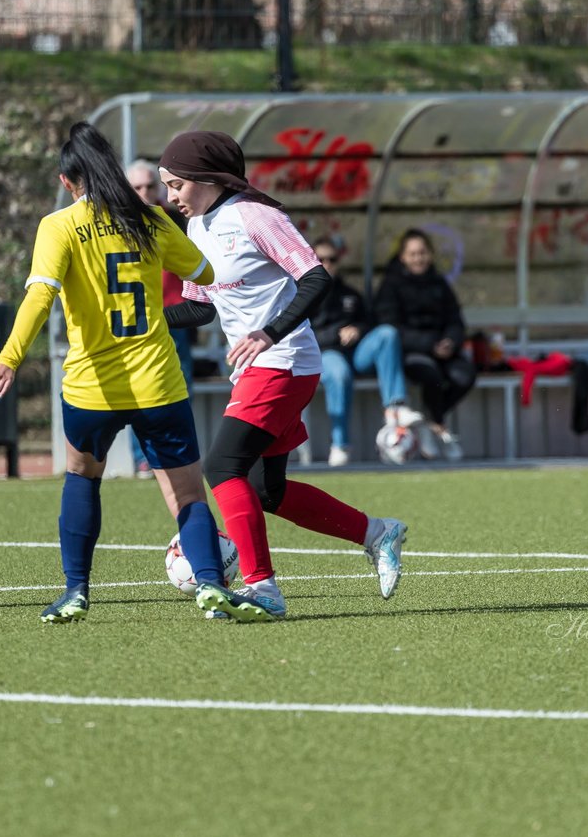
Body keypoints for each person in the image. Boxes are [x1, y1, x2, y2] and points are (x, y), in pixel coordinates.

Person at [0, 122, 263, 624]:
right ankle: (212, 585)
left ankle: (75, 592)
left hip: (92, 388)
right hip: (158, 381)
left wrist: (9, 358)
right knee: (189, 493)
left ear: (68, 181)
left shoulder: (59, 225)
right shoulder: (152, 220)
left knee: (82, 478)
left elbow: (40, 294)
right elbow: (205, 273)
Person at [157, 130, 408, 619]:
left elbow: (316, 277)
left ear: (206, 178)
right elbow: (199, 308)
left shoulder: (257, 216)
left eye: (175, 186)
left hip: (285, 360)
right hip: (259, 366)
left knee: (221, 466)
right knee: (268, 491)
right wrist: (139, 321)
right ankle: (378, 533)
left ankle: (261, 587)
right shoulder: (197, 228)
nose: (170, 197)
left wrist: (269, 333)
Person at [309, 235, 423, 466]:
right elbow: (301, 334)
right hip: (325, 353)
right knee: (339, 373)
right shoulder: (304, 292)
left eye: (331, 259)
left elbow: (369, 321)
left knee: (387, 334)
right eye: (320, 259)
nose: (327, 264)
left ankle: (395, 408)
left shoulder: (349, 293)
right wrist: (336, 335)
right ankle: (340, 444)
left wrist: (357, 330)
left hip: (356, 353)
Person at [374, 228, 477, 461]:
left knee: (465, 375)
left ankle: (430, 421)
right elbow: (390, 328)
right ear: (403, 257)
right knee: (431, 376)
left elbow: (456, 320)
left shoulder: (439, 283)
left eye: (422, 253)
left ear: (430, 254)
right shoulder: (391, 285)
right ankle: (438, 428)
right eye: (413, 254)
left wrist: (450, 341)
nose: (418, 258)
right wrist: (430, 344)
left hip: (443, 350)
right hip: (412, 351)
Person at [125, 159, 195, 480]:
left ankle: (179, 455)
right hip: (137, 321)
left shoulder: (176, 221)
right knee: (137, 388)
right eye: (137, 187)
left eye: (150, 186)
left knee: (180, 386)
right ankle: (142, 459)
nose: (145, 192)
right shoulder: (121, 224)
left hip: (175, 316)